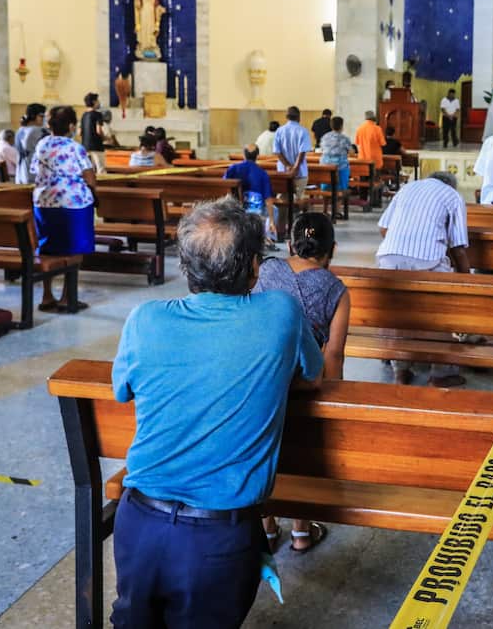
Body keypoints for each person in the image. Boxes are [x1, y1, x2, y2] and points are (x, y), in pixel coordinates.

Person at [111, 198, 322, 628]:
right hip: (217, 536)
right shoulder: (280, 313)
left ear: (186, 267)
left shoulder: (144, 319)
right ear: (254, 268)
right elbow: (313, 373)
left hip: (137, 523)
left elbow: (122, 390)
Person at [253, 212, 349, 554]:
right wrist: (333, 400)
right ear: (332, 248)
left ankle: (266, 529)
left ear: (291, 244)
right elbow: (334, 354)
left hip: (260, 383)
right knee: (308, 452)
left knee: (267, 449)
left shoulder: (266, 269)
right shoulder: (336, 289)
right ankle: (301, 532)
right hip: (304, 383)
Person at [377, 171, 469, 387]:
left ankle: (400, 371)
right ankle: (440, 373)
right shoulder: (452, 196)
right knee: (442, 312)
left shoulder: (407, 188)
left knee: (399, 313)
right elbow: (458, 248)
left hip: (389, 258)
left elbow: (383, 228)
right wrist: (467, 282)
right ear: (451, 185)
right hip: (428, 261)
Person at [31, 106, 96, 313]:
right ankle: (68, 297)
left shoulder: (42, 144)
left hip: (44, 202)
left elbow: (34, 170)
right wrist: (94, 191)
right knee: (74, 249)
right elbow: (89, 176)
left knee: (47, 248)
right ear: (70, 126)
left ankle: (47, 295)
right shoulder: (74, 147)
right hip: (73, 203)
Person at [223, 144, 277, 245]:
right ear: (257, 156)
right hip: (255, 211)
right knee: (275, 210)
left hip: (235, 207)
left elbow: (224, 187)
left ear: (243, 155)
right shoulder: (262, 173)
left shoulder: (233, 168)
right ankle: (268, 239)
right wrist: (272, 221)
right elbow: (268, 199)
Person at [275, 106, 313, 199]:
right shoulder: (303, 131)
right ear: (299, 117)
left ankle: (283, 214)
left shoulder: (279, 131)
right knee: (299, 199)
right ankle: (298, 213)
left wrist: (287, 166)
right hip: (300, 172)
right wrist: (295, 168)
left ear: (286, 117)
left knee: (282, 200)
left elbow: (277, 152)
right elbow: (302, 152)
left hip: (283, 172)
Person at [319, 116, 354, 193]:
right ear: (341, 126)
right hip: (340, 167)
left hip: (325, 167)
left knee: (326, 189)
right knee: (341, 187)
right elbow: (352, 152)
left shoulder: (325, 137)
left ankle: (326, 203)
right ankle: (341, 195)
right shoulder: (344, 138)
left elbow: (322, 149)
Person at [15, 103, 48, 184]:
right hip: (33, 175)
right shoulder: (37, 131)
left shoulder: (20, 130)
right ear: (36, 116)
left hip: (20, 174)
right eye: (43, 116)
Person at [80, 92, 106, 175]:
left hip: (85, 146)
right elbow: (98, 130)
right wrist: (104, 137)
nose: (99, 103)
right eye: (98, 101)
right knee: (100, 170)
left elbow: (80, 132)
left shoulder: (83, 115)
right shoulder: (98, 114)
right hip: (96, 145)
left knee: (89, 170)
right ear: (94, 102)